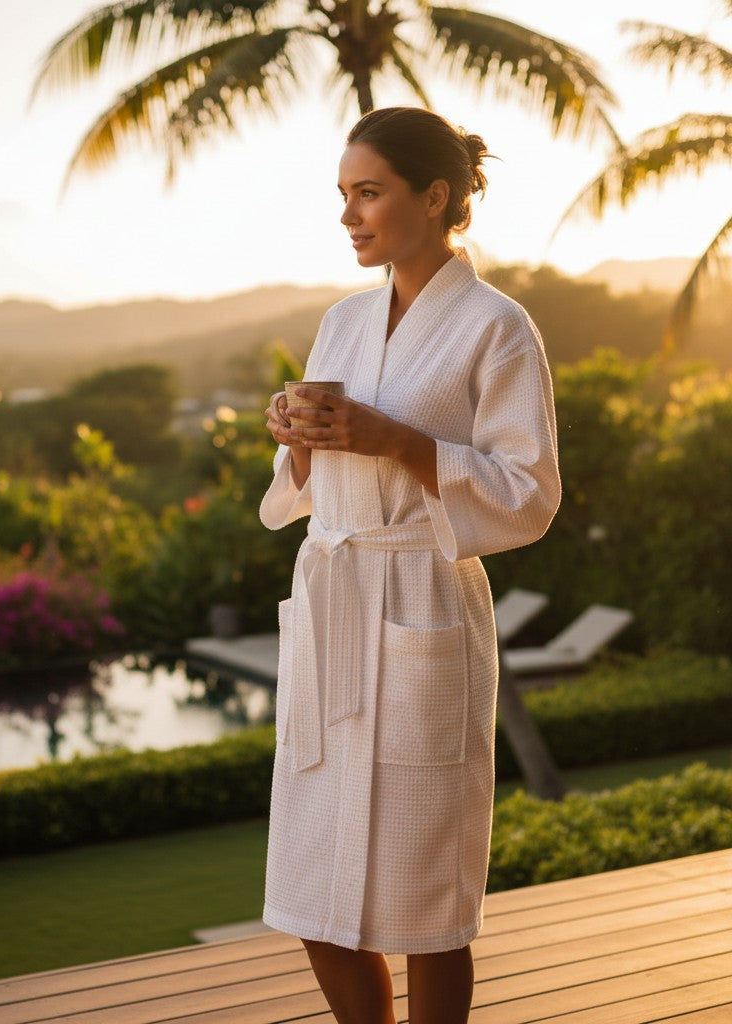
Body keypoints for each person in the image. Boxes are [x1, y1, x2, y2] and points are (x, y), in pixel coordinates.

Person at [259, 106, 562, 1024]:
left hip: (424, 597)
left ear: (434, 198)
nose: (350, 215)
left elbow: (529, 492)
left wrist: (397, 441)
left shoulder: (496, 328)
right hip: (335, 597)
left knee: (430, 903)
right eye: (344, 196)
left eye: (369, 193)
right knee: (315, 896)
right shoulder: (343, 320)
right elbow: (307, 486)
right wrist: (297, 437)